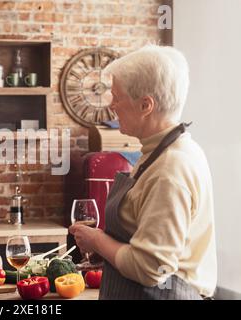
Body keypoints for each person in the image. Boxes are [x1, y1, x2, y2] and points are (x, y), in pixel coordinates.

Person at [70, 45, 217, 299]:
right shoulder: (160, 151)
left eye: (117, 97)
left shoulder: (170, 169)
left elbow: (150, 269)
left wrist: (97, 241)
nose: (112, 106)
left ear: (145, 105)